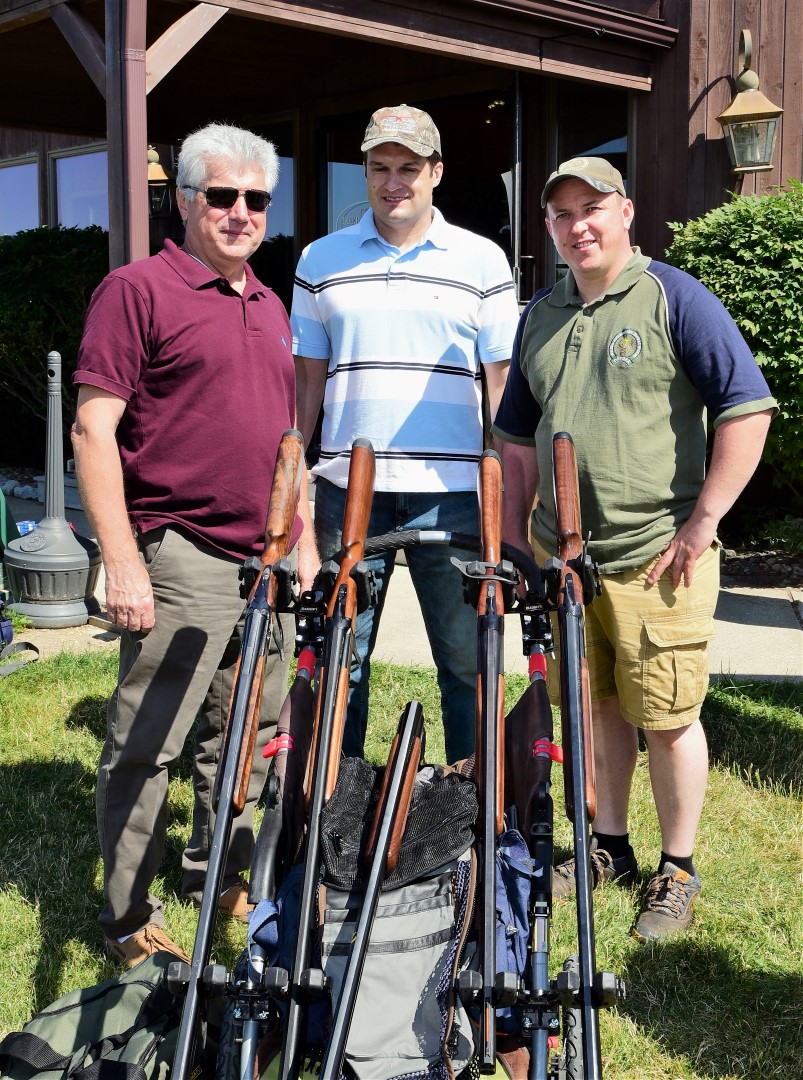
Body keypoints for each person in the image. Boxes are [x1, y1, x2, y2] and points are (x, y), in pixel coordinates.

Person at [494, 156, 776, 941]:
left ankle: (676, 869)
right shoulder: (540, 313)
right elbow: (515, 440)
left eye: (591, 208)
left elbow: (745, 408)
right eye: (561, 214)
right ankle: (608, 847)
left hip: (657, 556)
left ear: (623, 212)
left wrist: (703, 520)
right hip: (564, 561)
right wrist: (516, 541)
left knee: (668, 717)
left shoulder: (673, 297)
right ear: (548, 227)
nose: (576, 225)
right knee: (597, 707)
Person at [72, 123, 316, 968]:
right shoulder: (137, 291)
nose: (241, 212)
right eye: (222, 196)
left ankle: (224, 871)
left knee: (247, 733)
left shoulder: (269, 303)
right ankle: (126, 916)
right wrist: (122, 558)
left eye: (256, 199)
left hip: (266, 559)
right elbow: (92, 430)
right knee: (149, 743)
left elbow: (287, 437)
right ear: (184, 200)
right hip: (181, 552)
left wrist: (303, 540)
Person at [292, 104, 519, 762]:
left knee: (467, 663)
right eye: (379, 168)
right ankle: (334, 800)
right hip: (346, 492)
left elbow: (501, 388)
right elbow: (306, 385)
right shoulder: (319, 260)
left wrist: (508, 496)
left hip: (452, 494)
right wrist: (293, 483)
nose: (393, 182)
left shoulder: (481, 261)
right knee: (342, 657)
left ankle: (473, 804)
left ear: (436, 172)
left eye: (408, 168)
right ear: (364, 172)